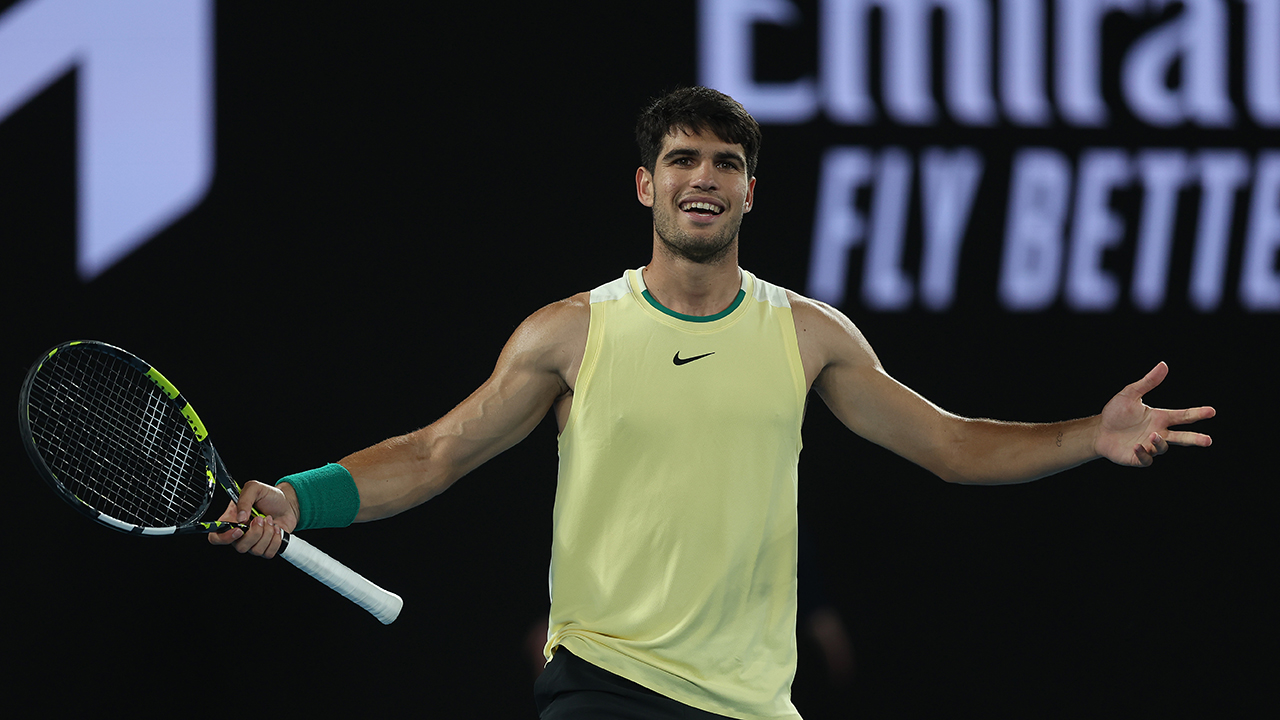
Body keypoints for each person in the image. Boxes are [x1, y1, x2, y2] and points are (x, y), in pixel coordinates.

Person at [209, 86, 1215, 719]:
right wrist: (296, 499)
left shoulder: (808, 334)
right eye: (682, 161)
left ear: (748, 193)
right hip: (605, 684)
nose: (704, 179)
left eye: (725, 164)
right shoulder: (571, 332)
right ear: (645, 187)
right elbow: (435, 453)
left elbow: (950, 446)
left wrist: (1089, 435)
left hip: (751, 704)